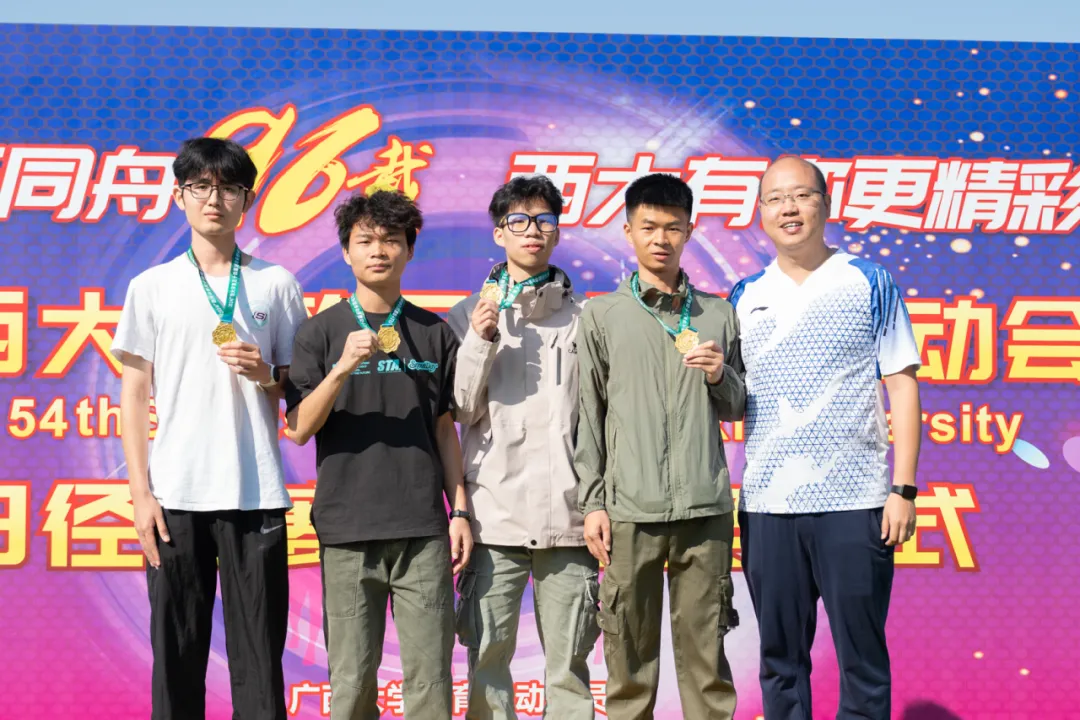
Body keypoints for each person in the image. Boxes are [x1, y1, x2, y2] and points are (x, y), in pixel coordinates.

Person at [113, 137, 308, 720]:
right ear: (179, 196)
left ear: (247, 199)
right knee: (176, 659)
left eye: (228, 188)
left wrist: (266, 373)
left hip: (256, 494)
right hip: (175, 496)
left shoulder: (276, 283)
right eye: (200, 187)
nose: (214, 199)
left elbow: (299, 390)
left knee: (260, 663)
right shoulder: (151, 286)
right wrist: (141, 495)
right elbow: (133, 394)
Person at [731, 156, 922, 720]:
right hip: (767, 505)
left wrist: (903, 489)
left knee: (862, 660)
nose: (788, 208)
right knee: (780, 661)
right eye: (775, 198)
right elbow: (730, 395)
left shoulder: (868, 280)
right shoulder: (743, 294)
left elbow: (902, 385)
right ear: (761, 211)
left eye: (801, 195)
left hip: (855, 502)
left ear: (825, 203)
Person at [285, 189, 472, 720]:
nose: (378, 250)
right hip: (348, 530)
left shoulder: (434, 332)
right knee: (351, 682)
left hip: (422, 530)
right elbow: (298, 428)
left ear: (409, 250)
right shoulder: (319, 332)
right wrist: (341, 368)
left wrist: (459, 510)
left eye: (391, 239)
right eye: (365, 240)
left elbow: (445, 430)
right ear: (346, 251)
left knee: (431, 680)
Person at [575, 173, 745, 720]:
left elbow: (738, 407)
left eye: (673, 228)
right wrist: (594, 502)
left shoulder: (718, 313)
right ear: (628, 231)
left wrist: (720, 376)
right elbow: (588, 416)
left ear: (690, 232)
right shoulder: (603, 315)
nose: (661, 239)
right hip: (629, 512)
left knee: (707, 662)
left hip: (705, 510)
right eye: (648, 227)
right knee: (628, 661)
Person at [448, 176, 600, 720]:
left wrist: (597, 503)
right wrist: (480, 340)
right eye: (518, 220)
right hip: (494, 518)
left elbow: (599, 419)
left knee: (570, 669)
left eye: (544, 220)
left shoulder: (586, 318)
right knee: (487, 662)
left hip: (570, 516)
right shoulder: (468, 314)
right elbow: (461, 410)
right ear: (499, 233)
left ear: (557, 232)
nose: (532, 230)